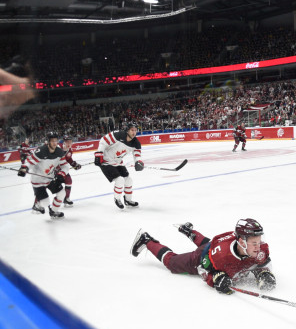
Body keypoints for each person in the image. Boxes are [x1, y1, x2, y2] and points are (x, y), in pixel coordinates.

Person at [130, 218, 276, 294]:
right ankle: (147, 240)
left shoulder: (260, 249)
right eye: (254, 243)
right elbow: (203, 269)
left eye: (259, 241)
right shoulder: (221, 256)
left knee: (208, 242)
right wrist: (215, 279)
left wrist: (263, 273)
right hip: (203, 256)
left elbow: (262, 263)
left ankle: (187, 230)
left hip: (215, 245)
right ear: (241, 242)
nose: (259, 246)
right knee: (172, 262)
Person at [17, 132, 68, 219]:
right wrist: (24, 168)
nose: (54, 143)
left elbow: (65, 166)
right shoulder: (41, 151)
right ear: (48, 142)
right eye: (52, 141)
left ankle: (54, 212)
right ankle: (37, 205)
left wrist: (61, 174)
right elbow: (30, 162)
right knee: (45, 202)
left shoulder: (59, 152)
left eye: (56, 141)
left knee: (62, 193)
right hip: (38, 180)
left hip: (49, 178)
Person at [94, 122, 144, 209]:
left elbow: (137, 156)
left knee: (128, 180)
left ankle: (128, 200)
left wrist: (138, 162)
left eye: (136, 130)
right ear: (127, 130)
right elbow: (103, 140)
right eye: (132, 130)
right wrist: (99, 154)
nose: (134, 132)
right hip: (106, 161)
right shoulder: (119, 135)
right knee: (119, 180)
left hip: (118, 161)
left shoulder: (136, 143)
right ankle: (117, 199)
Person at [59, 135, 82, 206]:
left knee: (68, 181)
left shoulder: (70, 150)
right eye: (67, 142)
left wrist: (75, 164)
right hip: (53, 170)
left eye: (70, 142)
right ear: (64, 142)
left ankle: (66, 198)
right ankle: (38, 202)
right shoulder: (58, 148)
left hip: (63, 169)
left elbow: (69, 159)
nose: (69, 144)